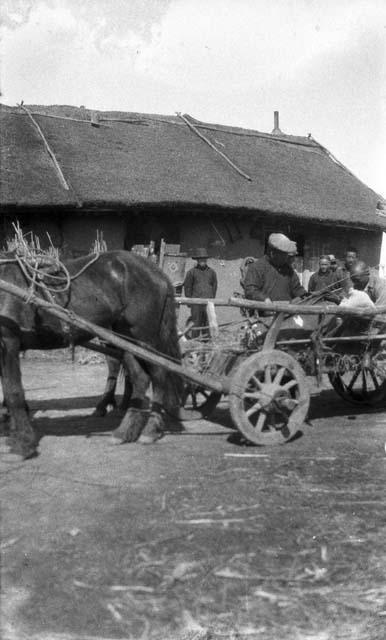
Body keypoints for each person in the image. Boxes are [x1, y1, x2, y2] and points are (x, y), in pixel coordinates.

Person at [243, 233, 307, 304]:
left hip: (287, 312)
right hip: (264, 313)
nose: (287, 258)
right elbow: (250, 290)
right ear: (272, 253)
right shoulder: (257, 267)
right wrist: (263, 299)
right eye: (284, 255)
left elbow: (297, 288)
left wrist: (305, 296)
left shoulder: (288, 270)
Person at [183, 248, 218, 338]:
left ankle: (207, 344)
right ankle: (195, 343)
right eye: (200, 259)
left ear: (206, 260)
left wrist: (211, 298)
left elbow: (214, 286)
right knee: (196, 323)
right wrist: (190, 301)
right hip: (196, 303)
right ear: (197, 260)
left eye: (204, 259)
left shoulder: (212, 272)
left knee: (208, 323)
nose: (202, 261)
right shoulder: (191, 272)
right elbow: (188, 287)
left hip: (208, 303)